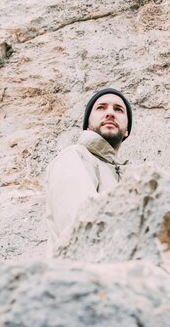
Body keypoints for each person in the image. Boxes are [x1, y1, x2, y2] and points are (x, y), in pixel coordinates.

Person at [45, 88, 132, 250]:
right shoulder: (74, 157)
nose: (110, 113)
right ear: (87, 125)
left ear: (127, 131)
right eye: (101, 108)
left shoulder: (126, 177)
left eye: (118, 109)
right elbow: (82, 230)